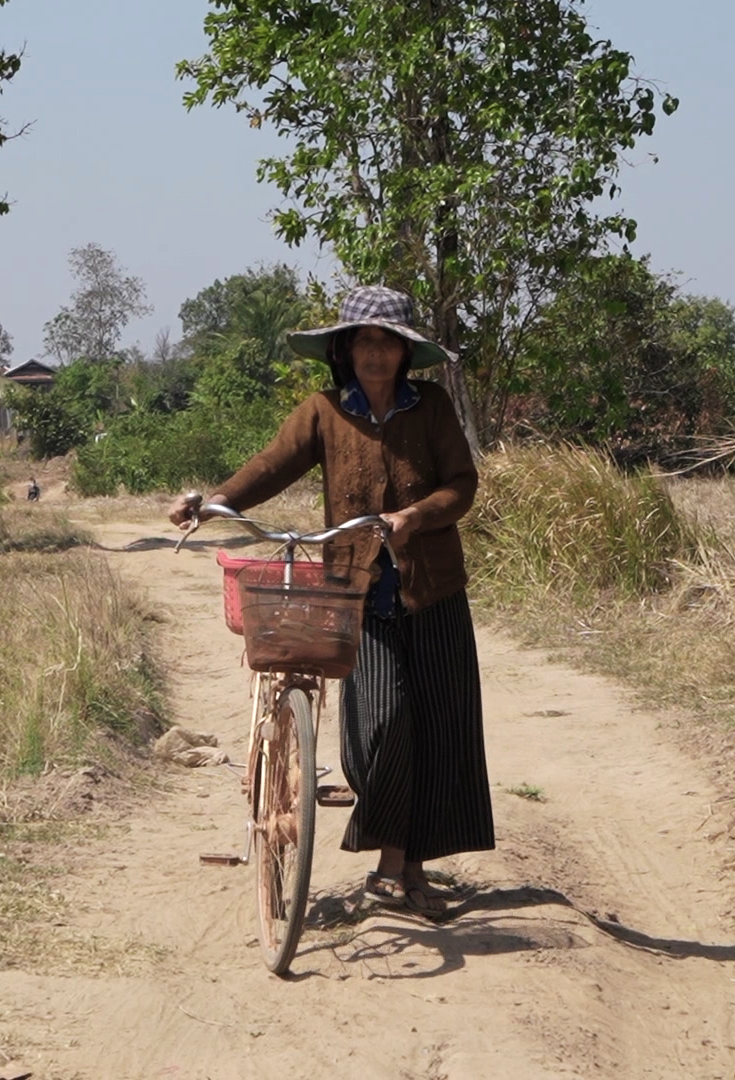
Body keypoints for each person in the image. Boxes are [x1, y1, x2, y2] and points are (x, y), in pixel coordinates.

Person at [169, 285, 492, 915]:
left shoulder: (430, 407)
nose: (375, 354)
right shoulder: (322, 410)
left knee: (436, 727)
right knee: (383, 722)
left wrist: (416, 516)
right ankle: (395, 856)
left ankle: (405, 867)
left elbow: (463, 484)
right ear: (344, 351)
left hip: (434, 591)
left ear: (404, 352)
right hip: (359, 594)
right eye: (364, 342)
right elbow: (273, 463)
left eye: (387, 343)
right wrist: (212, 503)